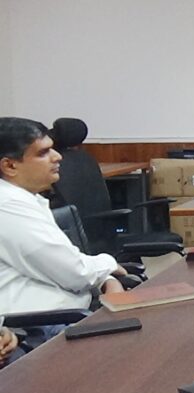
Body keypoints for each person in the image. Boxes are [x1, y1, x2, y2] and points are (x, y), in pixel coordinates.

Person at [0, 117, 126, 364]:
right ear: (10, 165)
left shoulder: (25, 199)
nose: (57, 157)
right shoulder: (8, 207)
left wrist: (106, 278)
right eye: (43, 152)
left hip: (68, 316)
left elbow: (67, 266)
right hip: (44, 328)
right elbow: (75, 273)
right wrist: (108, 266)